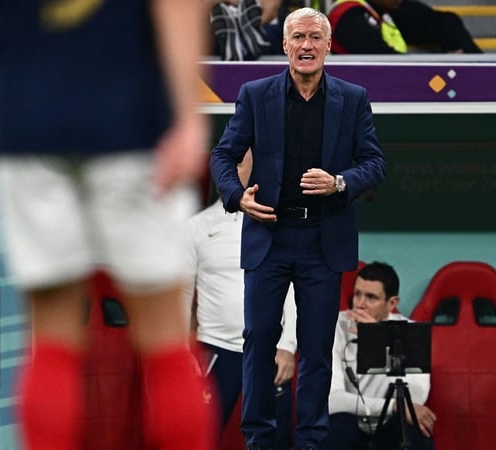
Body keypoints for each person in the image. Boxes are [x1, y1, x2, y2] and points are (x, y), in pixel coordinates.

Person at [0, 1, 215, 449]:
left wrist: (22, 62)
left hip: (31, 130)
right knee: (165, 341)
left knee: (51, 338)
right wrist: (188, 117)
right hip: (133, 123)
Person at [208, 7, 387, 450]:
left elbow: (375, 163)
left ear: (328, 46)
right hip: (269, 235)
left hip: (323, 240)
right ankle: (259, 440)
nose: (306, 45)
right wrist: (237, 196)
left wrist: (340, 182)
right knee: (259, 341)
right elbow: (222, 156)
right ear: (284, 45)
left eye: (315, 37)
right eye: (298, 37)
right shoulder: (255, 94)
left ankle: (310, 441)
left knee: (316, 348)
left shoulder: (354, 97)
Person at [183, 149, 298, 450]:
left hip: (268, 350)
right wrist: (185, 353)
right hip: (216, 351)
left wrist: (287, 346)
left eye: (239, 161)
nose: (231, 168)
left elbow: (291, 286)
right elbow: (182, 295)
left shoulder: (276, 220)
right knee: (199, 435)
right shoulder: (196, 227)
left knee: (274, 438)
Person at [322, 261, 435, 450]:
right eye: (357, 294)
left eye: (371, 297)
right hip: (349, 421)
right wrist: (394, 407)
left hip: (390, 423)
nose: (360, 304)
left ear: (392, 303)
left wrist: (378, 339)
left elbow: (416, 395)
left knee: (416, 431)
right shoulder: (335, 327)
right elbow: (331, 400)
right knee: (336, 430)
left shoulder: (409, 332)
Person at [327, 0, 482, 54]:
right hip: (363, 88)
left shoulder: (387, 9)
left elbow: (444, 24)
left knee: (448, 22)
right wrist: (439, 63)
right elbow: (381, 59)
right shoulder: (349, 15)